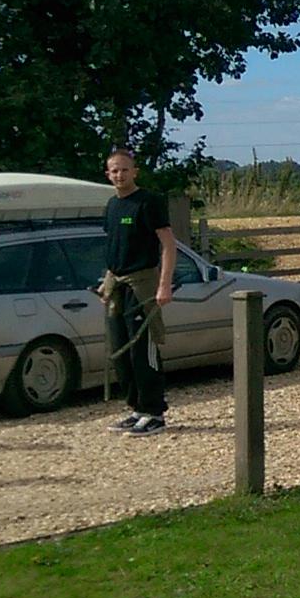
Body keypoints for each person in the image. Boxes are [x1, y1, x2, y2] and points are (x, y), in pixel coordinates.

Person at [99, 148, 176, 435]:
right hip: (117, 283)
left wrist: (164, 284)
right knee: (120, 350)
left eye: (124, 169)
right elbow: (115, 246)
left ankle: (154, 411)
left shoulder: (149, 202)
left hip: (143, 281)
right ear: (108, 175)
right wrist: (106, 281)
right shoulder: (111, 206)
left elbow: (168, 245)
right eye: (114, 170)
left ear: (135, 171)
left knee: (143, 349)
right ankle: (135, 409)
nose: (120, 175)